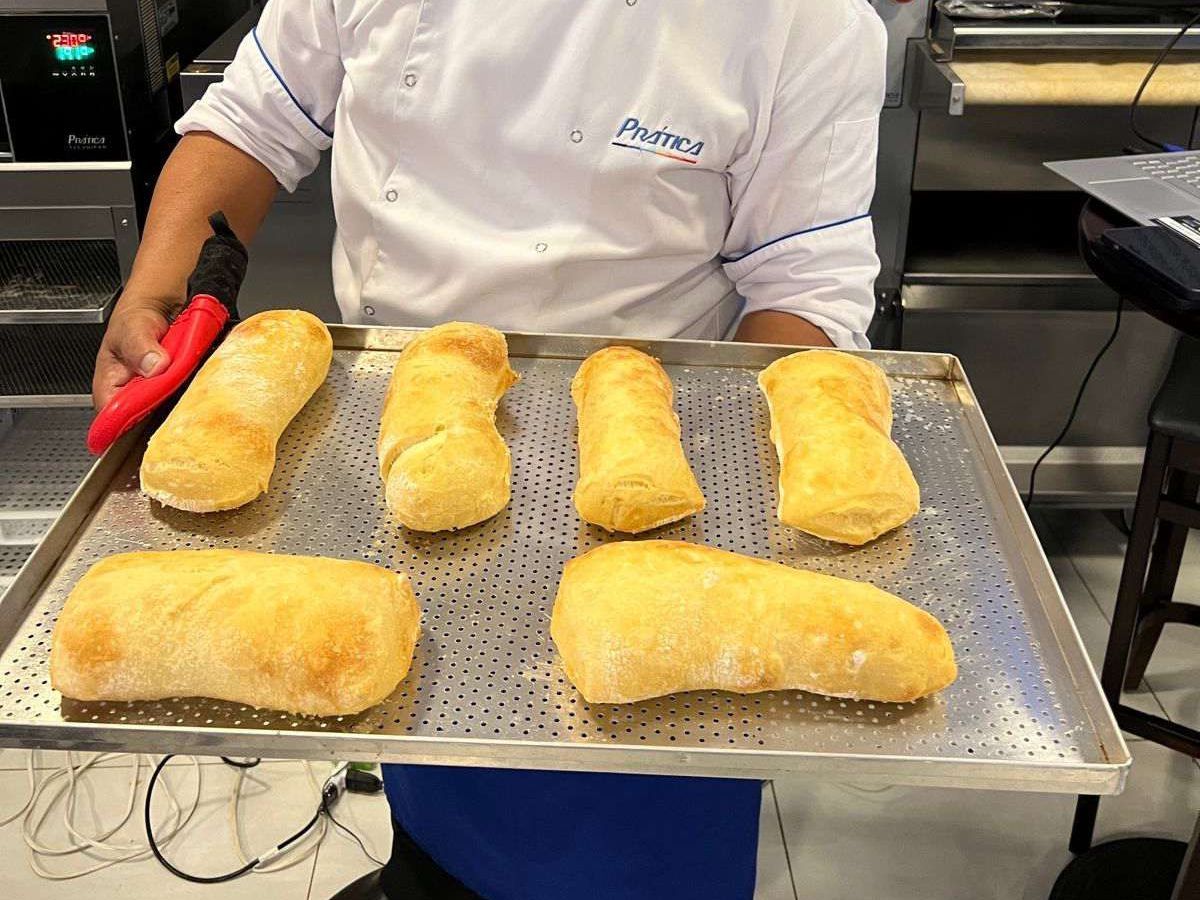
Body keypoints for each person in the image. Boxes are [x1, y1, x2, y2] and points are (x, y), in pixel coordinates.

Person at [92, 2, 886, 897]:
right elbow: (253, 120)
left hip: (643, 500)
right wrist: (159, 290)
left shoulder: (803, 22)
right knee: (416, 728)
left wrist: (745, 488)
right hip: (414, 440)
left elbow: (804, 281)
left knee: (633, 819)